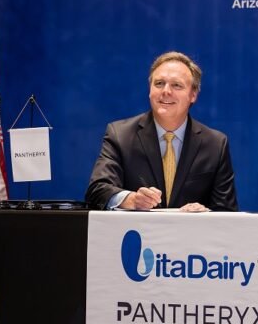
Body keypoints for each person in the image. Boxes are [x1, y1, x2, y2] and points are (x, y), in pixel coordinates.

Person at [85, 51, 238, 211]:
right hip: (137, 227)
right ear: (150, 90)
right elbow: (98, 190)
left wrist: (206, 213)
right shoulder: (120, 135)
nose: (166, 91)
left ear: (193, 95)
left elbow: (227, 211)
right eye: (159, 83)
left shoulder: (215, 144)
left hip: (191, 228)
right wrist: (131, 199)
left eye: (176, 85)